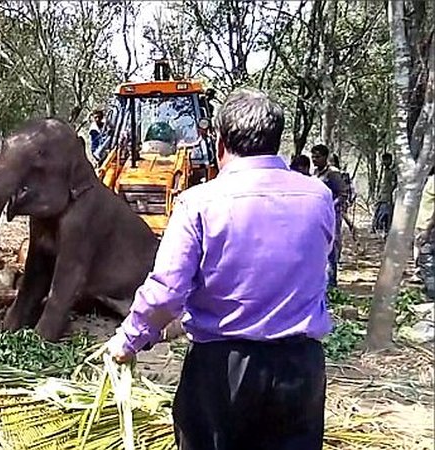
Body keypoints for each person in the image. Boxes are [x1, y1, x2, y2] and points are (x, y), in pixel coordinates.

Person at [105, 88, 333, 450]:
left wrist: (129, 339)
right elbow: (317, 267)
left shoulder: (199, 202)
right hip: (300, 368)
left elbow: (167, 291)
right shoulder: (318, 197)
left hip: (222, 372)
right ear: (276, 140)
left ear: (221, 143)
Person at [311, 144, 347, 288]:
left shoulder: (333, 173)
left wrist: (330, 206)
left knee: (331, 248)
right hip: (317, 215)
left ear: (325, 157)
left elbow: (343, 194)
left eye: (317, 157)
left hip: (332, 216)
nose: (314, 159)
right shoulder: (315, 173)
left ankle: (332, 283)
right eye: (313, 156)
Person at [414, 167, 435, 298]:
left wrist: (427, 228)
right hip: (425, 226)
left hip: (429, 228)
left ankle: (432, 295)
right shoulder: (429, 180)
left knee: (427, 262)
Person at [372, 153, 397, 236]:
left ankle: (386, 232)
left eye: (386, 160)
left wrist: (390, 194)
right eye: (383, 160)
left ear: (390, 160)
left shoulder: (392, 172)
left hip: (387, 198)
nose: (384, 162)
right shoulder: (385, 171)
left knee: (385, 215)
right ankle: (379, 230)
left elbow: (393, 184)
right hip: (382, 196)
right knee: (379, 213)